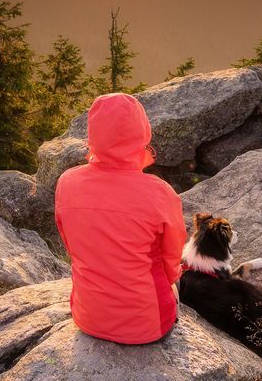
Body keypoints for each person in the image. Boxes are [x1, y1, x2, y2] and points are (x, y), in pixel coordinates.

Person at [54, 92, 187, 344]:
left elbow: (71, 245)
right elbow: (171, 261)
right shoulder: (159, 192)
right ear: (142, 133)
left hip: (87, 317)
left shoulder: (67, 182)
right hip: (147, 328)